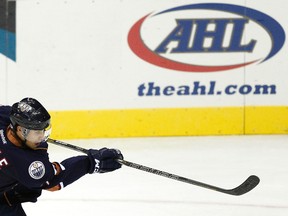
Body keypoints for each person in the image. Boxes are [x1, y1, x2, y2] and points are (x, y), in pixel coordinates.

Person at [0, 97, 123, 215]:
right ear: (20, 130)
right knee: (34, 183)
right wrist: (91, 163)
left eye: (43, 130)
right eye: (37, 132)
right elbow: (53, 182)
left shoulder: (4, 116)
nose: (42, 137)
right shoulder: (24, 163)